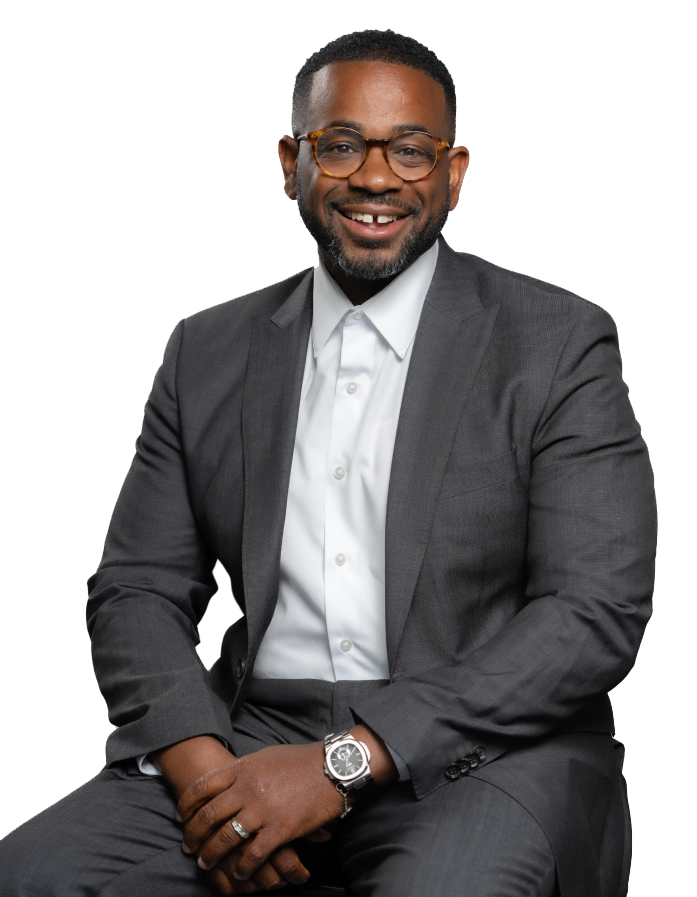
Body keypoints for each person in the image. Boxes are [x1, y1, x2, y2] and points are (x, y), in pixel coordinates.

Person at [0, 29, 657, 897]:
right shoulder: (207, 350)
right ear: (289, 163)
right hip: (249, 734)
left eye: (410, 150)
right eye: (339, 144)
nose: (375, 178)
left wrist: (346, 760)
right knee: (34, 872)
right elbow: (137, 590)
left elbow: (591, 610)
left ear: (453, 173)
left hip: (483, 751)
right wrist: (209, 784)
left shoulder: (556, 343)